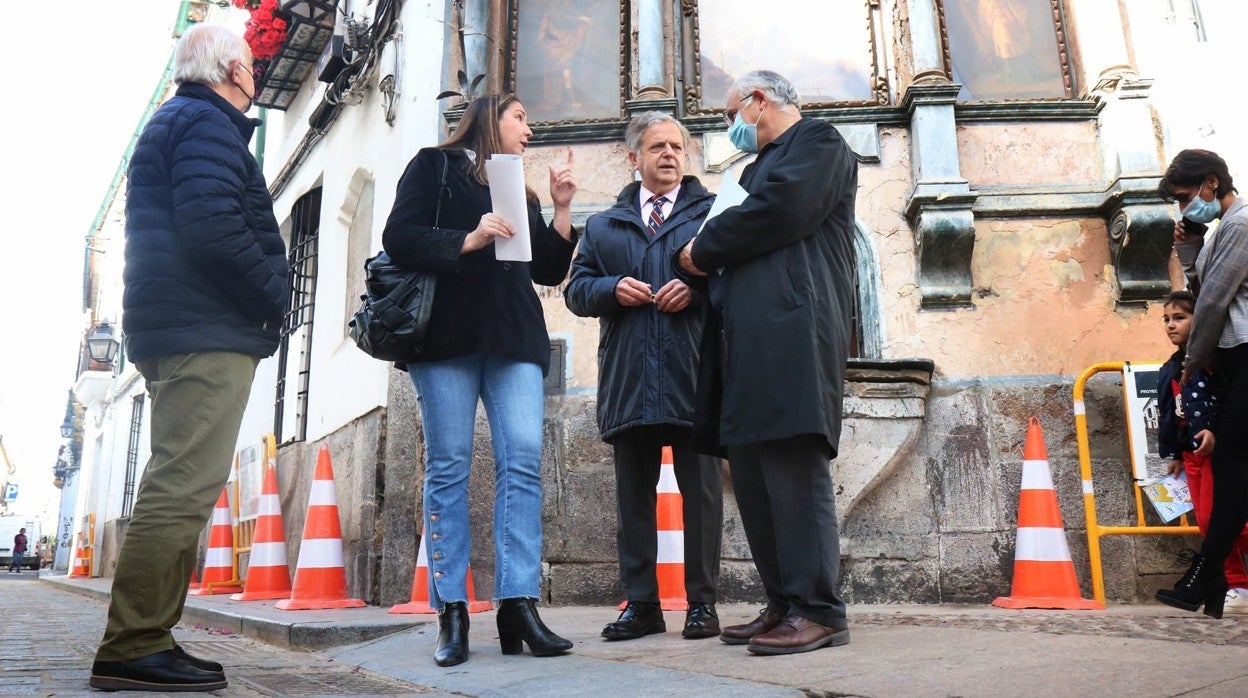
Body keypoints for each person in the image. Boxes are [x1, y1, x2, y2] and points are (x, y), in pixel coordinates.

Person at [89, 24, 288, 692]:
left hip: (185, 324)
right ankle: (133, 644)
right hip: (203, 329)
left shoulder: (184, 122)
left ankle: (150, 636)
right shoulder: (203, 125)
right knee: (181, 487)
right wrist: (272, 294)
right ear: (232, 68)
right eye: (252, 63)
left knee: (182, 484)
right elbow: (213, 231)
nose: (257, 73)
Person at [381, 93, 578, 667]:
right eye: (522, 117)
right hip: (446, 338)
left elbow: (545, 267)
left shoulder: (521, 185)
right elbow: (400, 235)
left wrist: (562, 209)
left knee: (522, 461)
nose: (529, 129)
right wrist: (469, 238)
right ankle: (453, 610)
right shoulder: (434, 166)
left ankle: (518, 603)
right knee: (449, 465)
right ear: (490, 118)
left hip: (514, 337)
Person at [675, 69, 857, 655]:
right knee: (753, 473)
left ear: (758, 102)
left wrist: (703, 246)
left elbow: (783, 210)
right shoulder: (751, 170)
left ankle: (818, 608)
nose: (731, 127)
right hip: (745, 340)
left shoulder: (820, 143)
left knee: (792, 468)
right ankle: (782, 601)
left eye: (732, 113)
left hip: (794, 330)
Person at [565, 112, 724, 641]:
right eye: (657, 147)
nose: (669, 155)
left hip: (692, 374)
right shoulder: (605, 225)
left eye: (677, 146)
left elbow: (736, 282)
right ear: (634, 158)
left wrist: (697, 293)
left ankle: (702, 604)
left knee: (701, 495)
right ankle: (642, 604)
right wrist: (612, 289)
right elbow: (575, 290)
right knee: (634, 499)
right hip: (629, 377)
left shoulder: (711, 216)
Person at [1157, 148, 1248, 619]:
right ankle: (1210, 579)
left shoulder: (1241, 224)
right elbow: (1197, 287)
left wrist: (1191, 362)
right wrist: (1191, 244)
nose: (1186, 207)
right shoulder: (1217, 234)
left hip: (1243, 352)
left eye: (1188, 197)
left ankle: (1209, 575)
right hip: (1232, 358)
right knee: (1233, 467)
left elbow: (1210, 305)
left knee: (1231, 465)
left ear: (1212, 183)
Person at [1156, 290, 1248, 613]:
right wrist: (1176, 454)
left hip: (1212, 449)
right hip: (1190, 454)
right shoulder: (1171, 367)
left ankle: (1236, 583)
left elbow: (1219, 401)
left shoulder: (1209, 361)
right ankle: (1224, 584)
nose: (1171, 326)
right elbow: (1172, 413)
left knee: (1221, 517)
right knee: (1206, 521)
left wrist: (1211, 429)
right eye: (1166, 319)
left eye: (1179, 318)